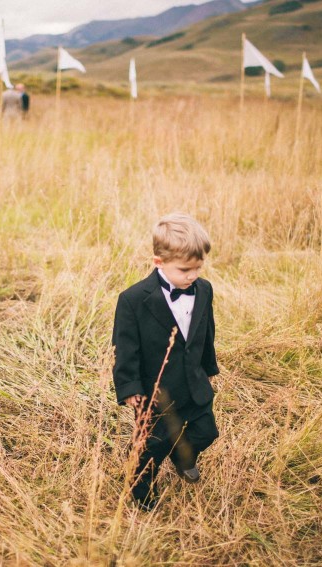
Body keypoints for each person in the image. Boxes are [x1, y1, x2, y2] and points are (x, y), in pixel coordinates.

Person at [112, 213, 220, 511]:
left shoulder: (204, 289)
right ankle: (142, 491)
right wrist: (130, 386)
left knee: (206, 431)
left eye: (198, 268)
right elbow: (125, 347)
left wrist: (208, 368)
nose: (193, 275)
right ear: (159, 261)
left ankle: (182, 455)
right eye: (185, 269)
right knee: (151, 447)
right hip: (154, 390)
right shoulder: (133, 299)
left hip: (193, 383)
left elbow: (205, 332)